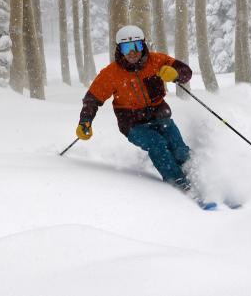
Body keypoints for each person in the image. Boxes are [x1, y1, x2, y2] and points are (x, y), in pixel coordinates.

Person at [76, 25, 194, 190]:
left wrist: (176, 74)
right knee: (157, 143)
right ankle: (177, 181)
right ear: (120, 49)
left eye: (136, 46)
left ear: (143, 45)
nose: (132, 52)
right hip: (132, 124)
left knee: (179, 148)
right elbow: (92, 99)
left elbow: (186, 72)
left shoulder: (157, 61)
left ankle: (195, 174)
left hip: (160, 116)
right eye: (126, 47)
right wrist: (85, 121)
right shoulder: (111, 74)